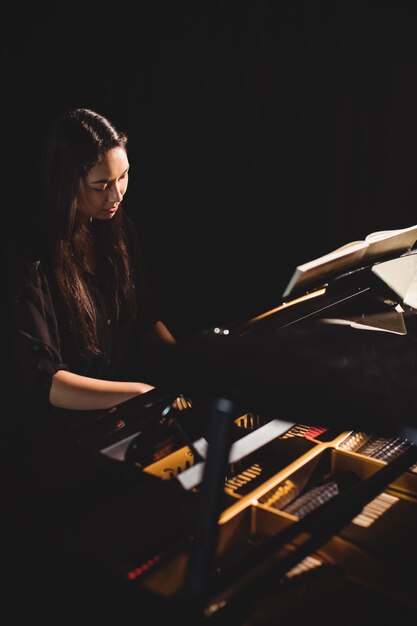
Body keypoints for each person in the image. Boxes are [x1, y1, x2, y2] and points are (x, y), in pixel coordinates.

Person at [6, 107, 177, 437]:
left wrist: (194, 368)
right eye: (101, 186)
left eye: (123, 177)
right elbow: (46, 381)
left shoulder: (118, 229)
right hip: (53, 438)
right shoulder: (29, 257)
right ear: (68, 183)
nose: (116, 196)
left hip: (112, 421)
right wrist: (141, 394)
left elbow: (143, 318)